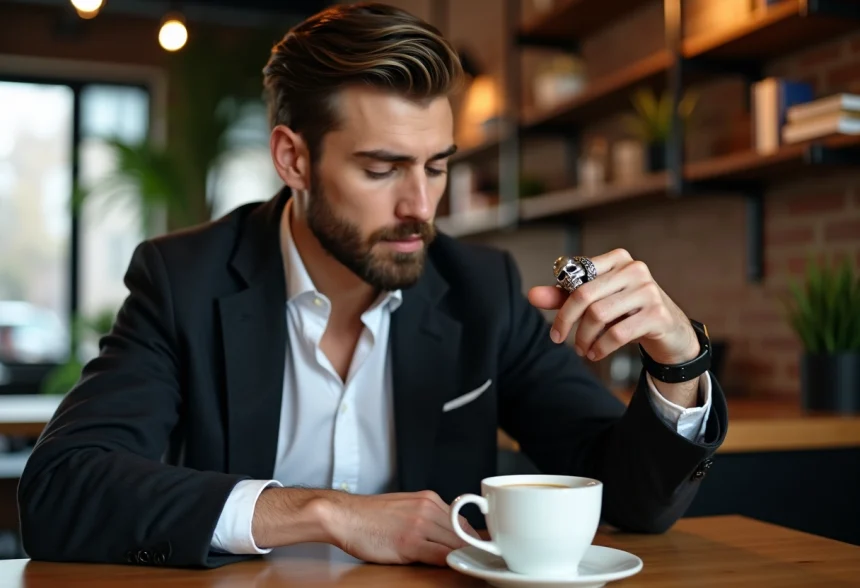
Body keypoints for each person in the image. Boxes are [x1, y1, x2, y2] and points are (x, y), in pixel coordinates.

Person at [18, 2, 727, 570]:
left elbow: (635, 500)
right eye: (383, 169)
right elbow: (62, 490)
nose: (421, 205)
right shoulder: (185, 281)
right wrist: (326, 511)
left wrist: (677, 363)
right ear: (292, 158)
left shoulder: (480, 289)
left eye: (438, 165)